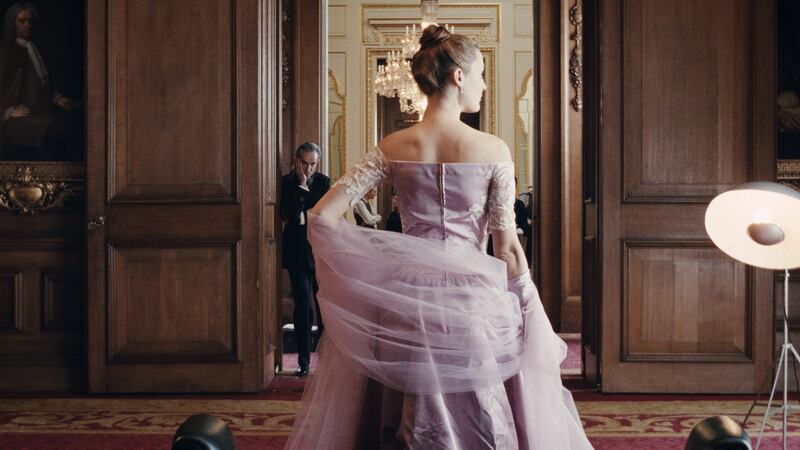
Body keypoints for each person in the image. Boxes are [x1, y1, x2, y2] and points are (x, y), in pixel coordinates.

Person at [287, 26, 592, 449]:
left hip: (406, 300)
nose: (484, 84)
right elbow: (506, 249)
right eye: (481, 73)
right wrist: (525, 300)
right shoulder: (493, 149)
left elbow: (321, 216)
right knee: (483, 411)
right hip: (473, 302)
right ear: (458, 76)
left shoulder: (392, 145)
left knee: (404, 408)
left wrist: (378, 265)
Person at [0, 3, 78, 161]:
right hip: (18, 119)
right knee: (60, 130)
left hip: (43, 112)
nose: (27, 25)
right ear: (12, 24)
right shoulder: (6, 53)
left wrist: (57, 99)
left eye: (30, 21)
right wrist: (8, 111)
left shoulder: (37, 49)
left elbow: (43, 84)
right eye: (22, 21)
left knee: (72, 124)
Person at [280, 142, 330, 377]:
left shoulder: (323, 182)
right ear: (296, 161)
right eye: (305, 164)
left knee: (324, 307)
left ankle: (326, 360)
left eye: (313, 164)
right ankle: (303, 361)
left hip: (319, 251)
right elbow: (288, 213)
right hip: (297, 251)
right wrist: (301, 186)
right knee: (302, 307)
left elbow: (321, 214)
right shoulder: (286, 183)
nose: (309, 169)